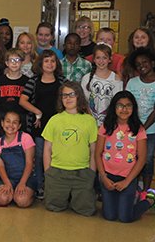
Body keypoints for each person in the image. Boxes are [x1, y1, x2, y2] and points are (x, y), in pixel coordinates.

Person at [96, 91, 155, 223]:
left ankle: (148, 201)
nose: (124, 109)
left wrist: (127, 182)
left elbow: (142, 158)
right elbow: (98, 154)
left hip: (128, 178)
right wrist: (104, 178)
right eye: (120, 105)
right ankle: (123, 199)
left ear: (133, 108)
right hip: (108, 177)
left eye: (128, 106)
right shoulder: (106, 126)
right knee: (109, 216)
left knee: (125, 217)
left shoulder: (138, 129)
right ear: (114, 108)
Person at [42, 82, 98, 216]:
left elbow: (93, 150)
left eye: (71, 94)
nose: (68, 98)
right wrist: (48, 172)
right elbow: (47, 148)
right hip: (57, 172)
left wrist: (91, 173)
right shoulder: (54, 120)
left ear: (79, 96)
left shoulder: (89, 120)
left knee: (86, 210)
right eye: (64, 95)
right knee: (53, 207)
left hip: (82, 172)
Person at [18, 49, 64, 199]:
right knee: (38, 156)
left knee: (56, 156)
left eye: (52, 61)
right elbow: (23, 100)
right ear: (40, 64)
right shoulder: (34, 81)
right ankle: (39, 186)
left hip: (58, 126)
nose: (50, 64)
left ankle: (54, 185)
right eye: (46, 61)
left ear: (56, 64)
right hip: (38, 126)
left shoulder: (62, 81)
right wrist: (37, 111)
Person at [125, 47, 155, 192]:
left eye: (145, 62)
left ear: (153, 63)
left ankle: (146, 190)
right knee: (132, 157)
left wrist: (143, 127)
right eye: (138, 64)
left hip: (151, 129)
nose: (141, 65)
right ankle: (133, 186)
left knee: (147, 158)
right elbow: (127, 104)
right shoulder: (132, 82)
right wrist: (133, 125)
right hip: (132, 127)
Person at [0, 110, 36, 207]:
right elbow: (0, 166)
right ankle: (12, 192)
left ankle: (31, 193)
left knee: (22, 201)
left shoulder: (26, 138)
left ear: (19, 125)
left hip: (26, 178)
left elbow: (29, 163)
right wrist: (7, 183)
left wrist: (22, 183)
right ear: (2, 123)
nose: (11, 125)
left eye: (15, 122)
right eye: (8, 121)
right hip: (9, 178)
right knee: (1, 199)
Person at [81, 43, 123, 126]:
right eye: (98, 58)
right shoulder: (86, 78)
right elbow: (84, 101)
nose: (101, 61)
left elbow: (117, 102)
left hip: (109, 123)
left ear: (110, 59)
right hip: (89, 122)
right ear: (94, 59)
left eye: (104, 58)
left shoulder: (116, 79)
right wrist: (90, 118)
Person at [0, 49, 29, 137]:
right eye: (11, 60)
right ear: (6, 63)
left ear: (22, 63)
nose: (14, 63)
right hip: (3, 117)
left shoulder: (27, 81)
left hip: (20, 117)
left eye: (17, 60)